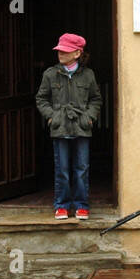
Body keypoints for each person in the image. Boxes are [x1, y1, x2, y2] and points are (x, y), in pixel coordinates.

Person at [35, 33, 103, 220]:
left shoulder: (88, 75)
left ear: (77, 53)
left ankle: (82, 205)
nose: (60, 54)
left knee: (81, 168)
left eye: (65, 51)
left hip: (82, 128)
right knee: (62, 169)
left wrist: (88, 117)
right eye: (59, 50)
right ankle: (62, 205)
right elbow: (41, 99)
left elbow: (96, 99)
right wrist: (52, 117)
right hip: (60, 128)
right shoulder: (50, 74)